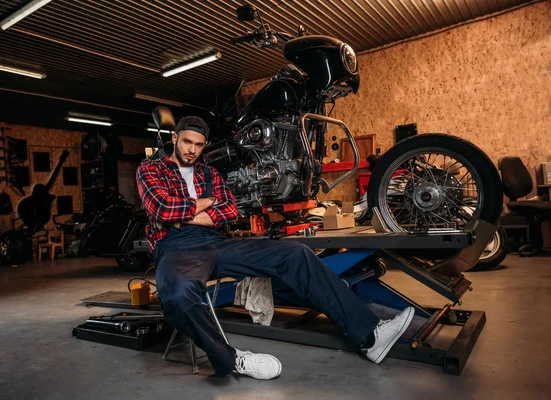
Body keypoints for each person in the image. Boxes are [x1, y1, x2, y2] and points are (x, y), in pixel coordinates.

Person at [136, 116, 415, 380]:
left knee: (295, 253)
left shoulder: (209, 172)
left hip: (216, 241)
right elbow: (160, 208)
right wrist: (207, 203)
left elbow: (230, 210)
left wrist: (182, 216)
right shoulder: (150, 169)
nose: (192, 150)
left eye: (198, 145)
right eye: (186, 142)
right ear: (175, 138)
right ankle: (231, 359)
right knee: (177, 295)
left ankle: (369, 335)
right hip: (175, 248)